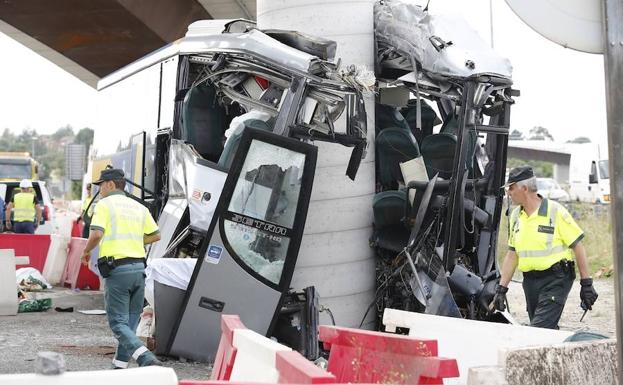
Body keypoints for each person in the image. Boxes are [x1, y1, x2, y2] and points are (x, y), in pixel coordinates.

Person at [492, 166, 599, 329]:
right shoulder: (515, 216)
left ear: (524, 188)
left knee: (537, 330)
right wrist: (501, 289)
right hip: (530, 282)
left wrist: (586, 283)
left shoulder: (555, 211)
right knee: (544, 333)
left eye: (511, 188)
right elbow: (512, 254)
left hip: (556, 279)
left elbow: (578, 246)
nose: (509, 193)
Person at [80, 168, 162, 368]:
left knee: (118, 323)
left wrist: (86, 251)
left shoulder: (105, 205)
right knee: (130, 323)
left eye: (101, 186)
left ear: (110, 184)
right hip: (138, 270)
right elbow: (155, 235)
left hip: (118, 270)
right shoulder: (138, 207)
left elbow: (97, 234)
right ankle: (119, 367)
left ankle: (145, 358)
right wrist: (135, 240)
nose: (100, 190)